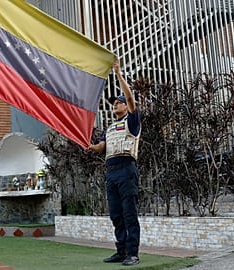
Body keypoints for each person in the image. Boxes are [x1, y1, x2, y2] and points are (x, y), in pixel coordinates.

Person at [89, 62, 141, 266]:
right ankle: (121, 250)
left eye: (118, 103)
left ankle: (133, 253)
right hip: (111, 172)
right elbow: (101, 147)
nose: (115, 105)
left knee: (129, 213)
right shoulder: (110, 128)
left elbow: (130, 97)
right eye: (113, 103)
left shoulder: (132, 120)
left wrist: (118, 74)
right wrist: (90, 146)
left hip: (127, 168)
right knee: (116, 214)